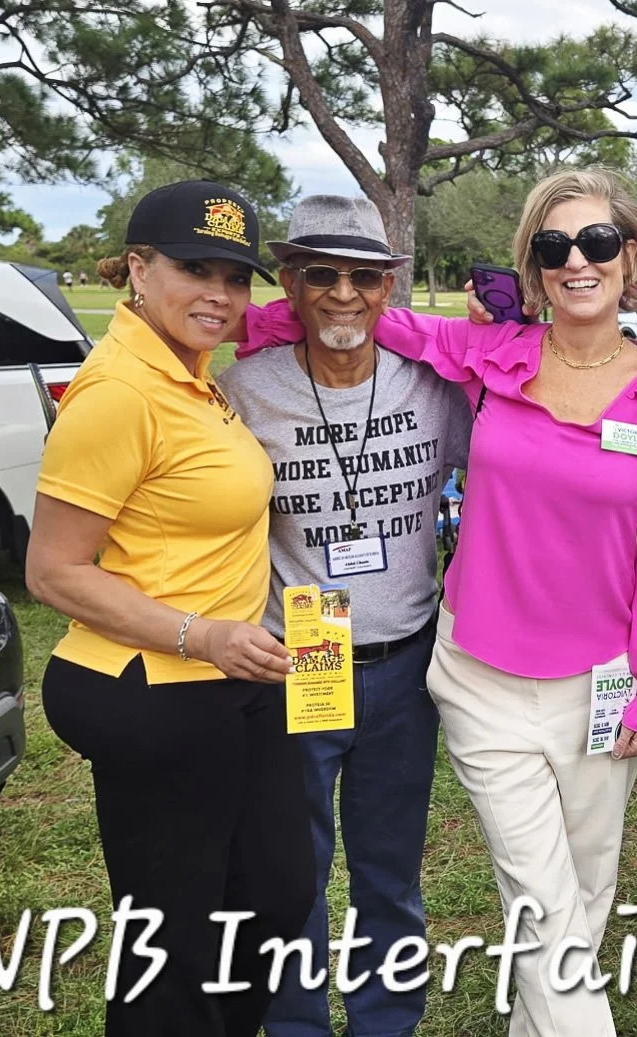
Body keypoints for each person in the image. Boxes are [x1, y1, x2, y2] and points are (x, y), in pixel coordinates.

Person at [383, 168, 637, 1036]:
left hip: (598, 685)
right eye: (553, 248)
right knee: (542, 895)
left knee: (583, 894)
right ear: (534, 266)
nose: (576, 261)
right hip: (481, 676)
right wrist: (243, 315)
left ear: (629, 257)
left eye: (596, 242)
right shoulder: (495, 356)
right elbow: (369, 318)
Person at [25, 180, 315, 1037]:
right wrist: (202, 633)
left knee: (270, 895)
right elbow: (53, 572)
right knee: (173, 938)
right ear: (138, 270)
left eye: (236, 276)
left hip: (233, 676)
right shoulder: (119, 391)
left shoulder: (191, 375)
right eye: (195, 269)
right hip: (151, 684)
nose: (220, 294)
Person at [216, 195, 470, 1037]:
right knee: (293, 868)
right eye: (320, 274)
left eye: (362, 276)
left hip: (407, 661)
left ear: (388, 287)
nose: (342, 294)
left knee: (389, 869)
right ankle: (293, 1025)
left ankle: (386, 1021)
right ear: (288, 284)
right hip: (299, 660)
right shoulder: (244, 392)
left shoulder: (435, 389)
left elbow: (514, 469)